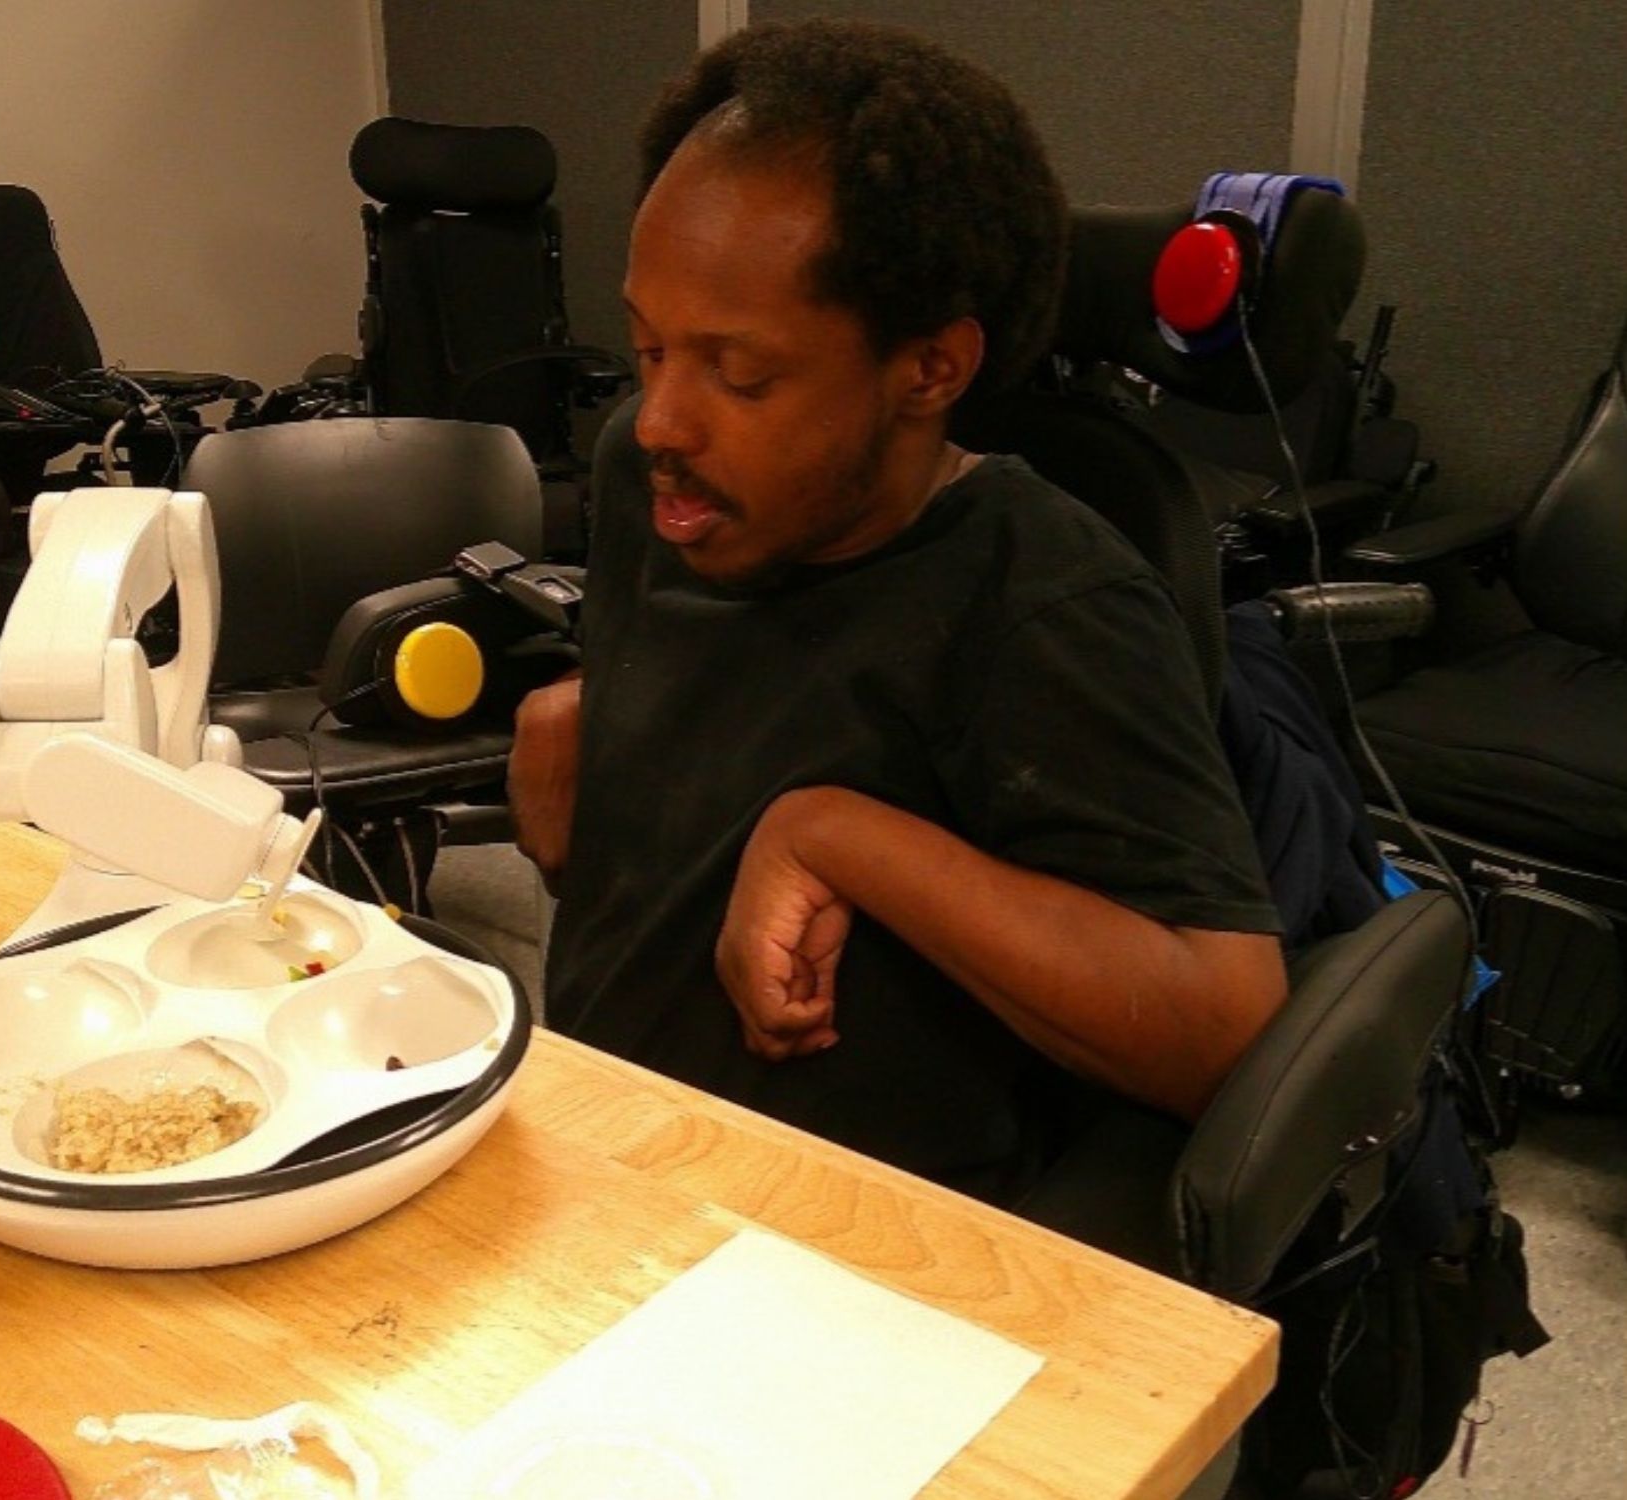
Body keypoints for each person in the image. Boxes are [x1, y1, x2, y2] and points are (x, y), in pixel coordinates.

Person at [508, 19, 1287, 1208]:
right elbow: (746, 706)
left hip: (850, 1251)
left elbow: (1226, 1025)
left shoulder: (1043, 598)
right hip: (608, 1153)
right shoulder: (656, 480)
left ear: (929, 372)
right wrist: (595, 714)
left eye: (740, 374)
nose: (662, 418)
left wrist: (839, 836)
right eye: (648, 346)